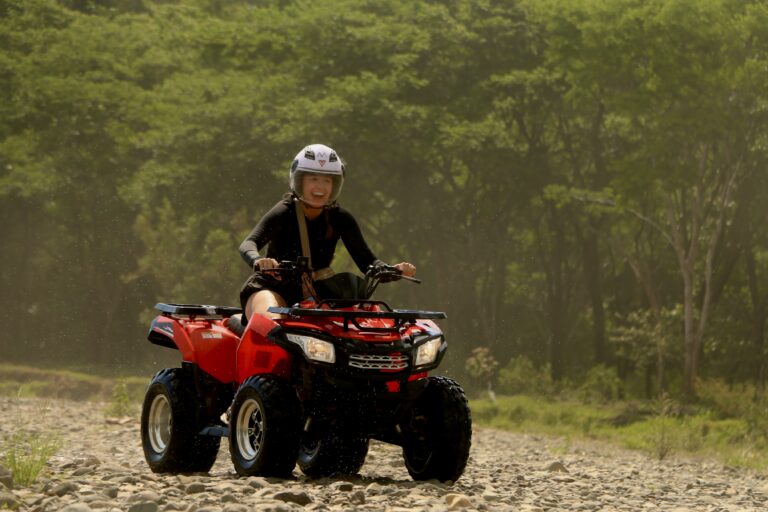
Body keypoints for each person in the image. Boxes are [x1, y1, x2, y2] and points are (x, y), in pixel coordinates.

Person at [238, 143, 416, 320]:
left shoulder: (341, 218)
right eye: (313, 179)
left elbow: (367, 262)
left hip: (318, 294)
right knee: (271, 321)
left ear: (335, 185)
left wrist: (392, 270)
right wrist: (259, 260)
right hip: (273, 287)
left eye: (327, 180)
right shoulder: (284, 212)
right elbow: (248, 243)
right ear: (299, 181)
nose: (320, 187)